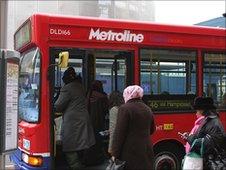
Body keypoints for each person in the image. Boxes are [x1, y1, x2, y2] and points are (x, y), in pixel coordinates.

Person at [54, 67, 95, 170]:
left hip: (73, 121)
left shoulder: (67, 88)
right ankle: (81, 163)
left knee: (69, 145)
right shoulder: (81, 86)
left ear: (66, 79)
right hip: (83, 118)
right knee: (81, 143)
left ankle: (75, 166)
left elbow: (58, 106)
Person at [111, 85, 156, 170]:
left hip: (130, 152)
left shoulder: (125, 108)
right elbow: (152, 129)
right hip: (146, 151)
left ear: (128, 95)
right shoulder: (147, 108)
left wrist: (114, 154)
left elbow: (119, 133)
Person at [180, 97, 226, 169]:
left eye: (197, 110)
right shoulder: (210, 120)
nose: (196, 113)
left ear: (202, 110)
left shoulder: (212, 122)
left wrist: (190, 138)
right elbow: (201, 137)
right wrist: (189, 137)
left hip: (212, 164)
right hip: (208, 162)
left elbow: (204, 144)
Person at [85, 80, 109, 165]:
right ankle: (97, 159)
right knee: (98, 141)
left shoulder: (88, 95)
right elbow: (106, 109)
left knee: (90, 141)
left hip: (89, 122)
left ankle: (89, 159)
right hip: (99, 122)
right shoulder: (103, 96)